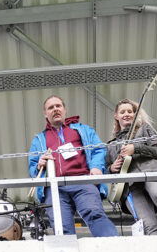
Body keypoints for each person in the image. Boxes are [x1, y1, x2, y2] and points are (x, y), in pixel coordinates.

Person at [28, 96, 118, 237]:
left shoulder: (83, 130)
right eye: (50, 108)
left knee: (95, 214)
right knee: (60, 225)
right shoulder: (39, 139)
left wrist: (96, 167)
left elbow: (99, 150)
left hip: (83, 181)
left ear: (64, 109)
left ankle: (113, 246)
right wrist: (39, 165)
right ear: (45, 113)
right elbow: (33, 170)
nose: (55, 109)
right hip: (54, 187)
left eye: (58, 106)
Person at [106, 99, 157, 235]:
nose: (126, 114)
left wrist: (136, 148)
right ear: (116, 116)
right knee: (146, 222)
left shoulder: (145, 129)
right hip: (130, 186)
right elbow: (107, 170)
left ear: (135, 115)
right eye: (122, 112)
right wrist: (112, 168)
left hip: (151, 172)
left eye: (130, 111)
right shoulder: (110, 144)